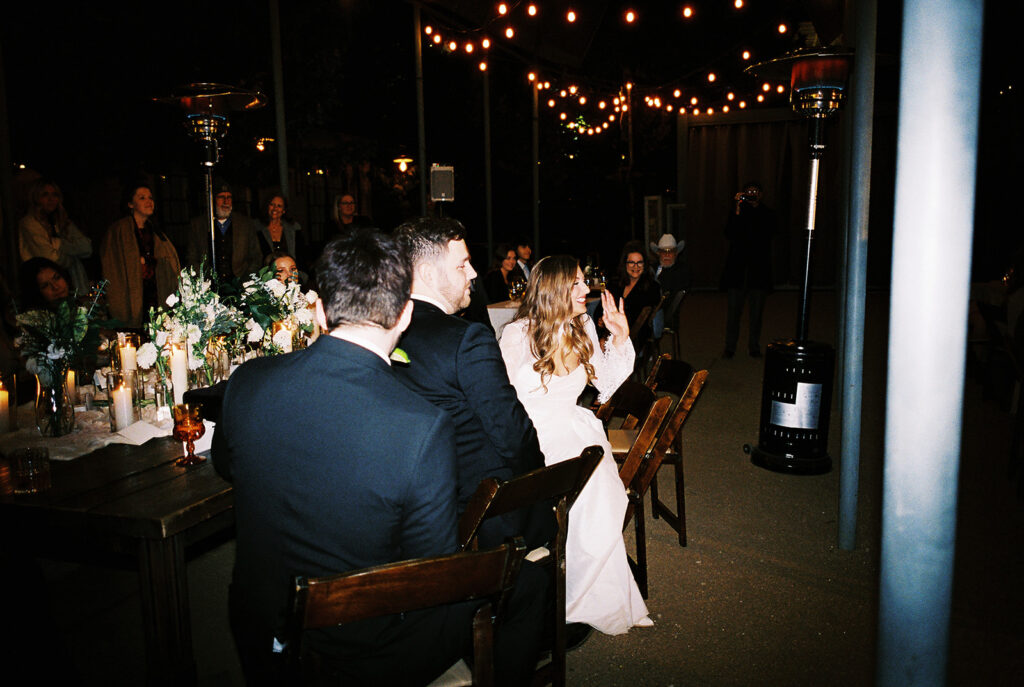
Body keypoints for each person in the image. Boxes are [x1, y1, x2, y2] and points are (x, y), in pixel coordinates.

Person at [212, 229, 545, 686]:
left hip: (262, 631)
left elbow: (230, 469)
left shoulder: (246, 383)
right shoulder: (421, 427)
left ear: (318, 307)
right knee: (530, 585)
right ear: (405, 315)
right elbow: (433, 573)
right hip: (364, 651)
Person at [499, 255, 653, 636]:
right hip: (530, 435)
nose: (588, 290)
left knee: (595, 497)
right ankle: (549, 586)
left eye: (586, 282)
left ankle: (581, 595)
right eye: (577, 283)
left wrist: (620, 336)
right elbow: (500, 400)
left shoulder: (583, 324)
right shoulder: (517, 335)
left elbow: (607, 384)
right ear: (553, 290)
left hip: (574, 431)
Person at [393, 217, 551, 549]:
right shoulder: (466, 339)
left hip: (413, 502)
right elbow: (512, 434)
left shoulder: (381, 331)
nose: (474, 273)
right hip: (481, 506)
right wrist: (541, 480)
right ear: (428, 274)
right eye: (462, 264)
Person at [101, 184, 182, 328]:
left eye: (150, 198)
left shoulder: (155, 231)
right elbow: (112, 266)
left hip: (154, 293)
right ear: (130, 204)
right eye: (142, 198)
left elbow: (169, 260)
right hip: (131, 294)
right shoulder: (119, 230)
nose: (149, 201)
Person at [721, 182, 776, 358]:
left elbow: (768, 233)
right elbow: (730, 233)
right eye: (748, 192)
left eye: (755, 192)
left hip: (758, 271)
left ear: (761, 194)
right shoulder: (738, 212)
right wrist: (737, 208)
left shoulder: (767, 213)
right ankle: (730, 347)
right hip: (737, 271)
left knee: (756, 314)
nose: (752, 194)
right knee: (733, 313)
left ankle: (754, 346)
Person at [18, 179, 92, 295]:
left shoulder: (62, 222)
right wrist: (73, 256)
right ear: (36, 198)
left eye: (55, 195)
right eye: (45, 195)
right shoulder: (30, 223)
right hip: (45, 288)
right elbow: (50, 259)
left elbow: (87, 248)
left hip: (74, 283)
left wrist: (58, 244)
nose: (51, 199)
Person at [187, 183, 262, 282]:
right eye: (221, 197)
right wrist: (204, 280)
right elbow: (191, 258)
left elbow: (256, 256)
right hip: (209, 285)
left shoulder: (245, 224)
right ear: (213, 200)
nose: (226, 201)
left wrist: (246, 280)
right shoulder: (198, 225)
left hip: (239, 284)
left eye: (229, 197)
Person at [604, 240, 661, 346]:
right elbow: (601, 308)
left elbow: (638, 317)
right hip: (609, 329)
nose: (636, 266)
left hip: (635, 336)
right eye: (631, 262)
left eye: (640, 262)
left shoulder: (652, 287)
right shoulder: (614, 283)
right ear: (625, 264)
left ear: (645, 264)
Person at [649, 233, 691, 337]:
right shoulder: (651, 269)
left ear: (675, 253)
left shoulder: (682, 271)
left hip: (666, 315)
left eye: (670, 251)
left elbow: (672, 299)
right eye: (664, 252)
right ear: (658, 253)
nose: (667, 255)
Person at [255, 194, 303, 265]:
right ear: (267, 207)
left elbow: (300, 255)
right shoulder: (256, 228)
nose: (275, 208)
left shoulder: (294, 228)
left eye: (279, 206)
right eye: (272, 205)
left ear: (284, 210)